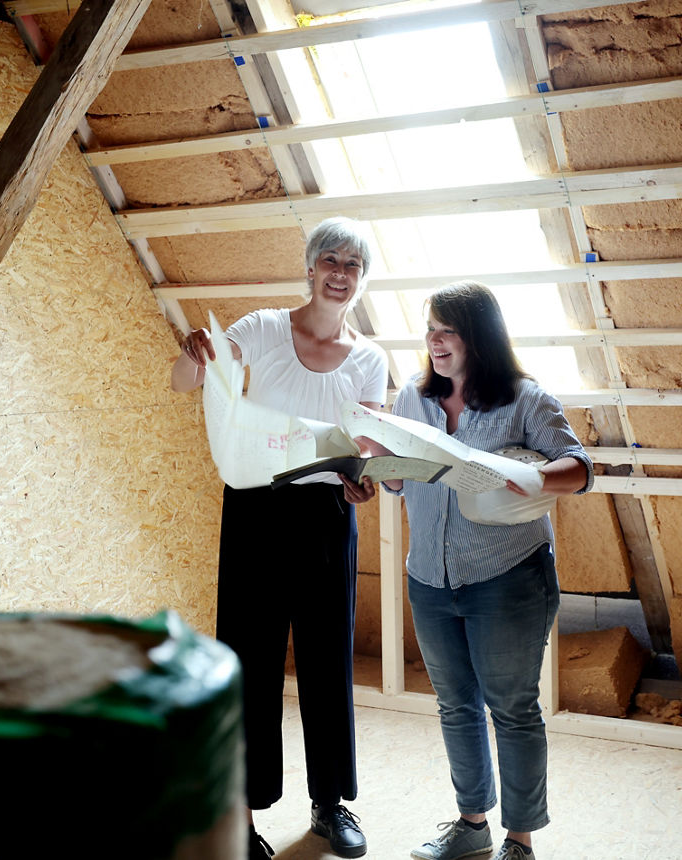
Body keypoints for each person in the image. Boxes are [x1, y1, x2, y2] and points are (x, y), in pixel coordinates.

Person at [170, 216, 387, 860]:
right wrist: (191, 354)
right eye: (331, 260)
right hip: (256, 510)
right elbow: (189, 383)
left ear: (362, 279)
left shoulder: (371, 359)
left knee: (326, 662)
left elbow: (365, 446)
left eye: (354, 264)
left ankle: (330, 805)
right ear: (311, 266)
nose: (341, 273)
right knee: (249, 661)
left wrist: (364, 481)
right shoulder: (263, 328)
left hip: (327, 518)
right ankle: (242, 809)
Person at [382, 281, 593, 860]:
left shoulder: (525, 399)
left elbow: (579, 467)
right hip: (428, 577)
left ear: (479, 337)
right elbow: (399, 481)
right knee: (455, 705)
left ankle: (518, 841)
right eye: (430, 328)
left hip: (507, 577)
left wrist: (528, 478)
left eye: (447, 330)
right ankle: (471, 824)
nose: (434, 340)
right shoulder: (412, 399)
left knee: (512, 708)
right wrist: (374, 464)